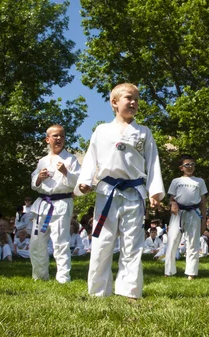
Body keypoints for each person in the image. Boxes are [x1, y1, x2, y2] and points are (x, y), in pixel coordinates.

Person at [75, 83, 165, 299]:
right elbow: (90, 158)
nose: (133, 102)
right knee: (102, 242)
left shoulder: (143, 132)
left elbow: (153, 163)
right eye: (128, 98)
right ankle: (98, 291)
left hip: (134, 193)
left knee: (132, 244)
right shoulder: (102, 131)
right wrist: (85, 181)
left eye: (136, 99)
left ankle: (129, 291)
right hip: (107, 193)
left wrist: (154, 191)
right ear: (114, 102)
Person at [29, 124, 80, 284]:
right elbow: (33, 183)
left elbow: (78, 182)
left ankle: (63, 278)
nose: (59, 139)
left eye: (62, 136)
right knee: (36, 241)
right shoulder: (42, 161)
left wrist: (66, 172)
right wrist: (39, 178)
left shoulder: (71, 159)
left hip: (62, 202)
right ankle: (39, 276)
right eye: (55, 136)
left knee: (60, 241)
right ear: (47, 139)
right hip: (43, 203)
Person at [165, 154, 207, 280]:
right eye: (187, 165)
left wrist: (203, 220)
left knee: (193, 243)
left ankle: (191, 273)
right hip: (178, 213)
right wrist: (172, 203)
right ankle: (168, 271)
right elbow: (171, 199)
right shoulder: (176, 181)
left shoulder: (199, 181)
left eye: (192, 164)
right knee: (172, 241)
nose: (190, 167)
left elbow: (203, 202)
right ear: (181, 168)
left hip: (194, 213)